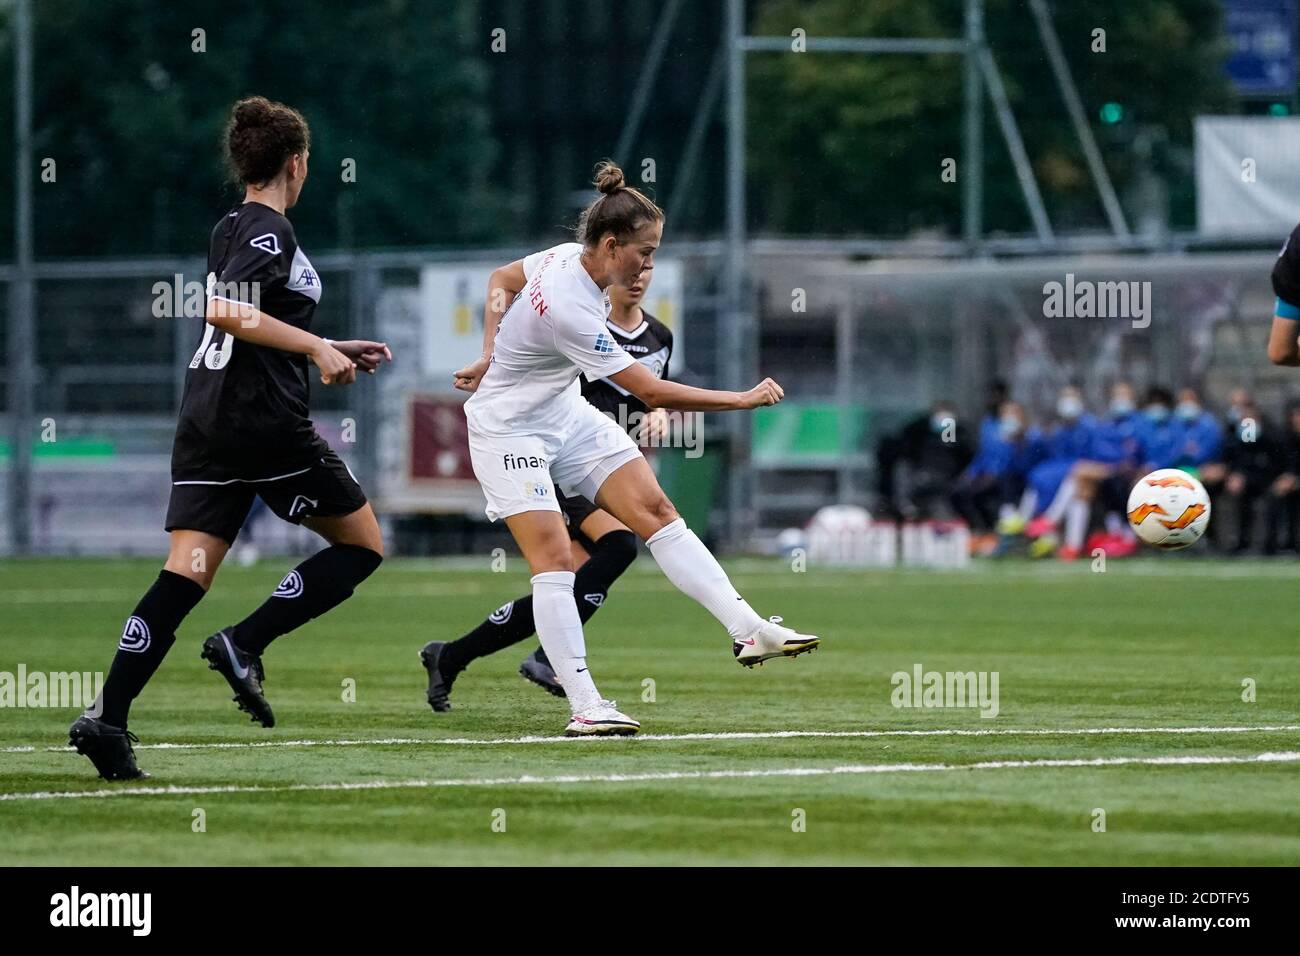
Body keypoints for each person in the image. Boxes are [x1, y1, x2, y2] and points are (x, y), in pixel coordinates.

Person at [68, 97, 391, 780]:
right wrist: (314, 347)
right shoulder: (270, 231)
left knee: (184, 573)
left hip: (208, 419)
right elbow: (227, 309)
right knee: (363, 544)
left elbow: (248, 320)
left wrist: (326, 345)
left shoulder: (231, 225)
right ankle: (245, 641)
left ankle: (108, 717)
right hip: (263, 423)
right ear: (296, 164)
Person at [448, 161, 819, 737]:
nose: (650, 265)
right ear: (611, 244)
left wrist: (490, 351)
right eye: (643, 253)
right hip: (507, 430)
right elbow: (645, 390)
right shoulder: (570, 302)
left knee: (658, 513)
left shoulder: (563, 257)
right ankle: (585, 706)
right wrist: (741, 401)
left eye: (655, 252)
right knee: (553, 562)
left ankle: (748, 629)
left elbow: (500, 279)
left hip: (564, 412)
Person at [421, 269, 673, 710]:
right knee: (619, 546)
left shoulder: (660, 336)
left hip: (604, 461)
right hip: (558, 455)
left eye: (649, 266)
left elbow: (650, 393)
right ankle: (544, 659)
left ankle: (452, 655)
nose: (639, 276)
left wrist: (661, 411)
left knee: (567, 585)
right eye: (634, 264)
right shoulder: (582, 321)